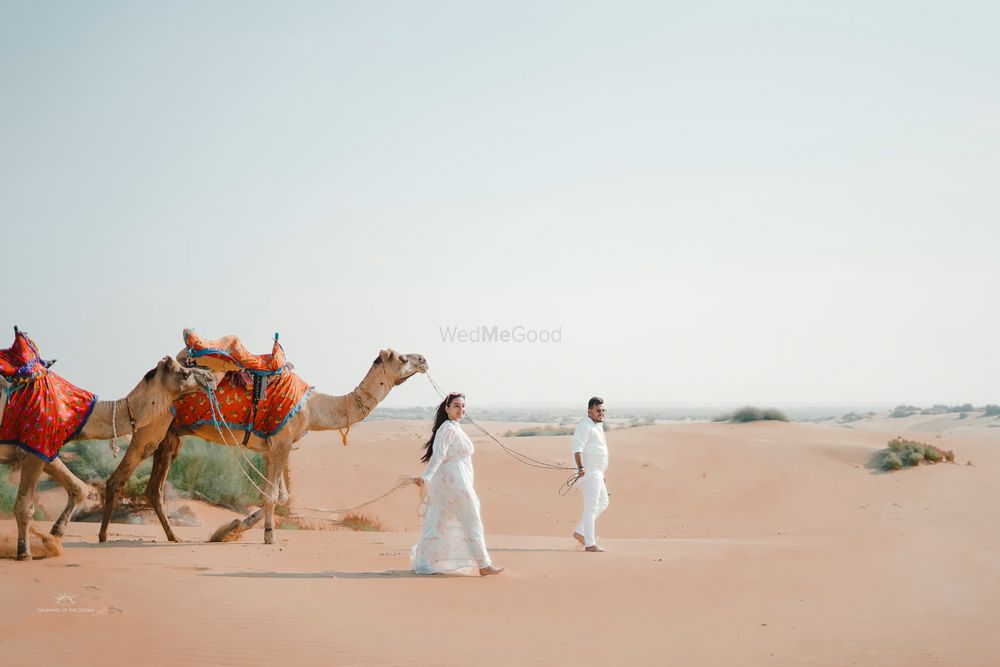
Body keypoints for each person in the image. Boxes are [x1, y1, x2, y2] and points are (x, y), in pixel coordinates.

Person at [411, 392, 503, 576]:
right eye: (456, 406)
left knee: (438, 521)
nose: (461, 409)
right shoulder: (448, 428)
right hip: (455, 483)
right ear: (447, 409)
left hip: (452, 482)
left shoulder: (453, 427)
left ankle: (423, 562)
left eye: (463, 406)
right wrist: (427, 476)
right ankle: (484, 564)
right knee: (471, 520)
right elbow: (439, 454)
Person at [572, 396, 609, 552]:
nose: (601, 413)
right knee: (591, 508)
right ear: (589, 411)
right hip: (589, 472)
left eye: (602, 410)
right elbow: (577, 448)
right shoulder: (584, 425)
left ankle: (581, 532)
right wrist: (581, 468)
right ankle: (590, 543)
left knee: (604, 501)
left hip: (598, 472)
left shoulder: (596, 425)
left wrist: (602, 472)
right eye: (597, 410)